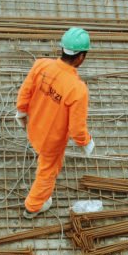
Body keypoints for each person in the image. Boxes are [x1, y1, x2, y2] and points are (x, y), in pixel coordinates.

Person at [15, 27, 95, 219]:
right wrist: (86, 142)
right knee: (48, 171)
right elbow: (77, 129)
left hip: (33, 126)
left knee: (44, 160)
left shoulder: (41, 65)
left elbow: (25, 91)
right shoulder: (78, 89)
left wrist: (21, 112)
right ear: (80, 57)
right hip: (51, 141)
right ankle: (33, 206)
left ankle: (36, 199)